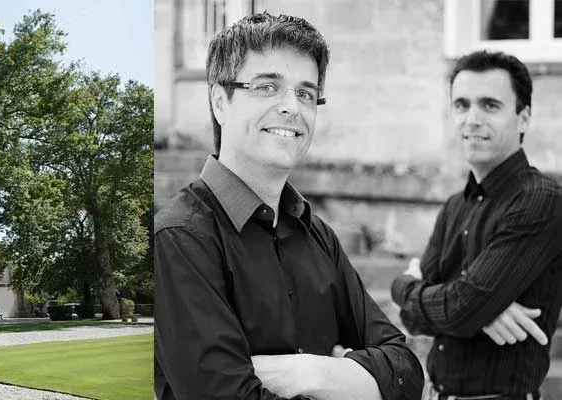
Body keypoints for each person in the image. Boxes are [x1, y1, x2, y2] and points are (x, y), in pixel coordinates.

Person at [153, 12, 424, 399]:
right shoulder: (180, 238)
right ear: (219, 101)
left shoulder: (318, 237)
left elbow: (406, 371)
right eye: (267, 87)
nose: (291, 107)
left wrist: (315, 374)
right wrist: (358, 383)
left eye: (306, 93)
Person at [390, 50, 562, 400]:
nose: (472, 119)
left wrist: (408, 288)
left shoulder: (541, 200)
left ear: (524, 118)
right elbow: (415, 320)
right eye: (462, 105)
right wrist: (475, 310)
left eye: (490, 105)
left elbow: (460, 308)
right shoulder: (455, 206)